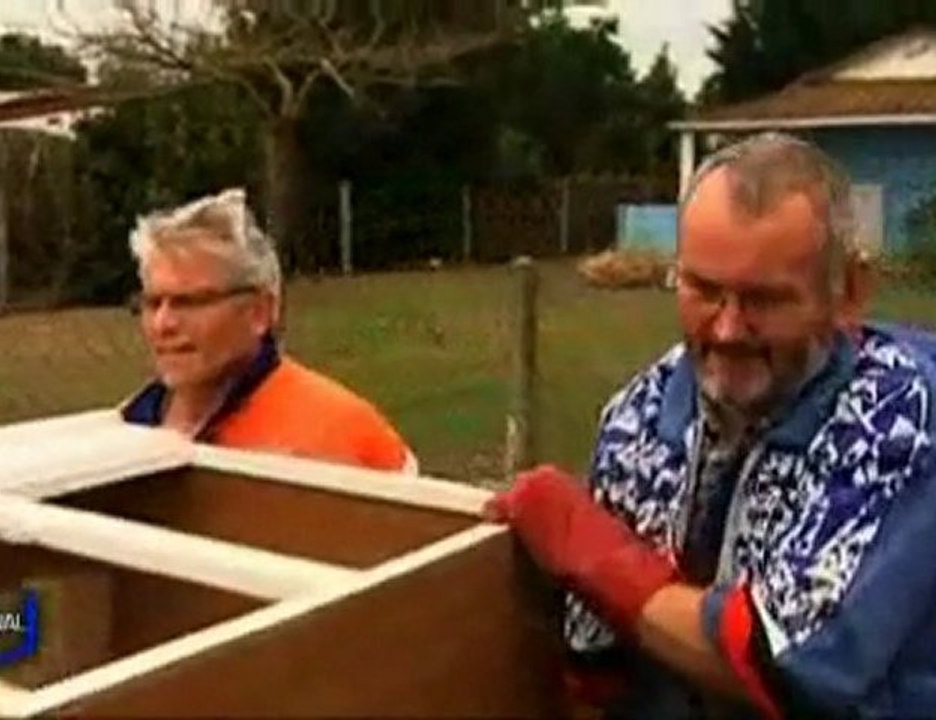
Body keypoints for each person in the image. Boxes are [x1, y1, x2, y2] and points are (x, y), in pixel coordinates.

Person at [486, 132, 936, 719]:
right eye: (702, 289)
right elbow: (594, 667)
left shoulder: (903, 420)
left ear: (847, 292)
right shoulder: (638, 416)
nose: (726, 330)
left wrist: (592, 551)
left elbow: (786, 667)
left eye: (764, 300)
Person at [120, 187, 418, 474]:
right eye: (152, 302)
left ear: (260, 312)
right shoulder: (123, 430)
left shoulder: (338, 436)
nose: (163, 324)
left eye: (190, 303)